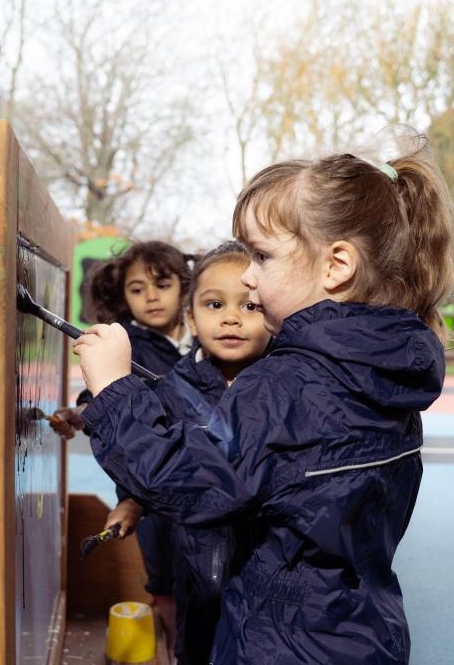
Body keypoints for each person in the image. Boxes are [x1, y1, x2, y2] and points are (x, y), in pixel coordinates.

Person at [73, 127, 454, 664]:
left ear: (336, 265)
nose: (249, 277)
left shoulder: (289, 385)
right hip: (364, 629)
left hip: (282, 642)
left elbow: (189, 482)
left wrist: (113, 388)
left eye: (262, 256)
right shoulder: (381, 368)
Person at [51, 240, 194, 651]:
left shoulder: (208, 335)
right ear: (122, 296)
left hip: (205, 476)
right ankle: (174, 649)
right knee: (164, 576)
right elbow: (102, 391)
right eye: (137, 289)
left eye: (162, 284)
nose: (151, 296)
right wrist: (78, 413)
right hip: (148, 489)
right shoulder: (126, 342)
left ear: (184, 288)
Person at [150, 241, 272, 664]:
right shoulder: (173, 387)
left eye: (250, 306)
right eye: (215, 304)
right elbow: (154, 457)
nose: (231, 318)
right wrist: (131, 502)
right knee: (197, 644)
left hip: (266, 562)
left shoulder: (284, 382)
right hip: (194, 559)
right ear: (191, 318)